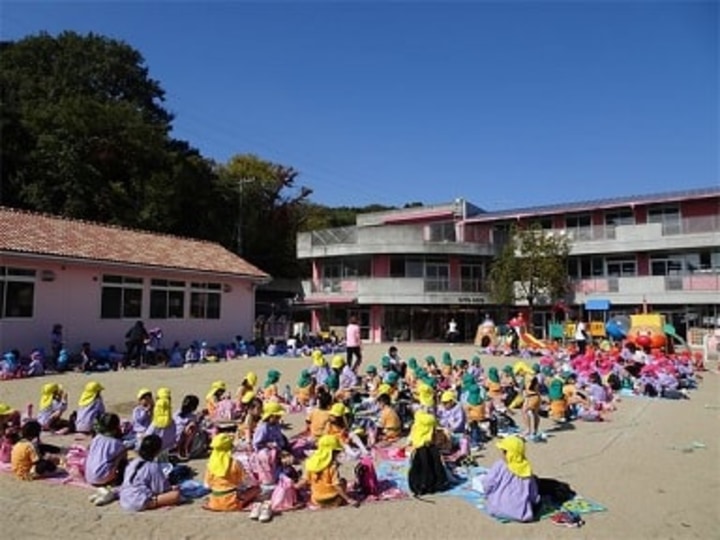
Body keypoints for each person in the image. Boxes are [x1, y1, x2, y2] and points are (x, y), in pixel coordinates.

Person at [481, 436, 539, 522]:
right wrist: (534, 501)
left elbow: (488, 483)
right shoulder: (526, 468)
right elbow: (532, 492)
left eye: (503, 451)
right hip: (521, 513)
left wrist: (487, 494)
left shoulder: (500, 465)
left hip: (496, 508)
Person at [119, 434, 181, 512]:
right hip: (137, 501)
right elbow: (161, 489)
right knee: (175, 495)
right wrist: (172, 487)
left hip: (124, 498)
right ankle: (152, 503)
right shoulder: (153, 466)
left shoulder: (133, 463)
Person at [295, 434, 357, 508]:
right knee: (343, 481)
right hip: (334, 500)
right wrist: (349, 499)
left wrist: (292, 488)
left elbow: (303, 481)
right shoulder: (331, 467)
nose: (337, 455)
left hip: (317, 500)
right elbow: (336, 485)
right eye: (336, 452)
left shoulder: (310, 464)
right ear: (331, 452)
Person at [203, 433, 261, 511]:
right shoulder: (235, 463)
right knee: (256, 489)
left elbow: (207, 485)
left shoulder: (210, 464)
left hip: (215, 502)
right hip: (232, 501)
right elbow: (246, 482)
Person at [85, 413, 128, 505]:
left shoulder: (97, 438)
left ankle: (103, 487)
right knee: (123, 456)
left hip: (88, 476)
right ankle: (116, 484)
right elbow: (123, 456)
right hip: (102, 477)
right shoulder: (116, 443)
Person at [145, 388, 176, 453]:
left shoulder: (155, 423)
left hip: (155, 451)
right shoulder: (172, 422)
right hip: (167, 450)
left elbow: (147, 436)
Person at [174, 395, 201, 459]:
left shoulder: (177, 413)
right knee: (193, 428)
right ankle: (184, 447)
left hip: (172, 435)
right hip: (178, 439)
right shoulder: (191, 417)